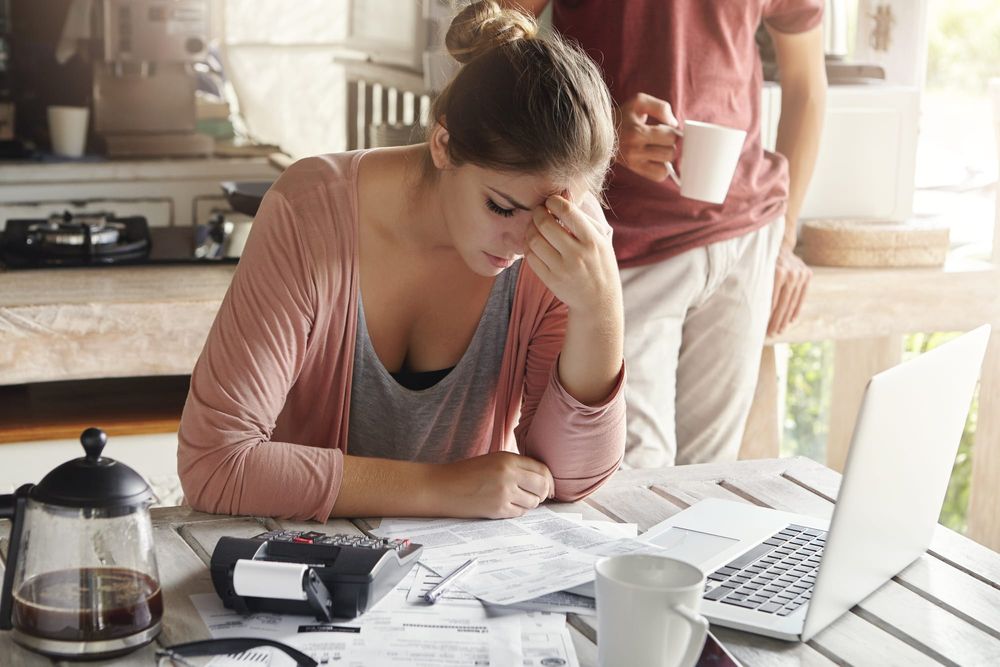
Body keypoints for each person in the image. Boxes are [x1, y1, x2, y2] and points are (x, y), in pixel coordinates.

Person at [177, 1, 626, 522]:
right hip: (307, 572)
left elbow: (570, 479)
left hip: (467, 579)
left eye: (550, 213)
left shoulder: (561, 238)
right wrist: (441, 488)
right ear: (442, 144)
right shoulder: (310, 213)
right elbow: (214, 464)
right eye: (501, 207)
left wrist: (601, 306)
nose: (526, 240)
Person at [514, 0, 827, 467]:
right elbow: (494, 40)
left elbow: (807, 86)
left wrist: (785, 241)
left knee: (711, 476)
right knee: (628, 473)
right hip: (624, 243)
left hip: (745, 237)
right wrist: (596, 123)